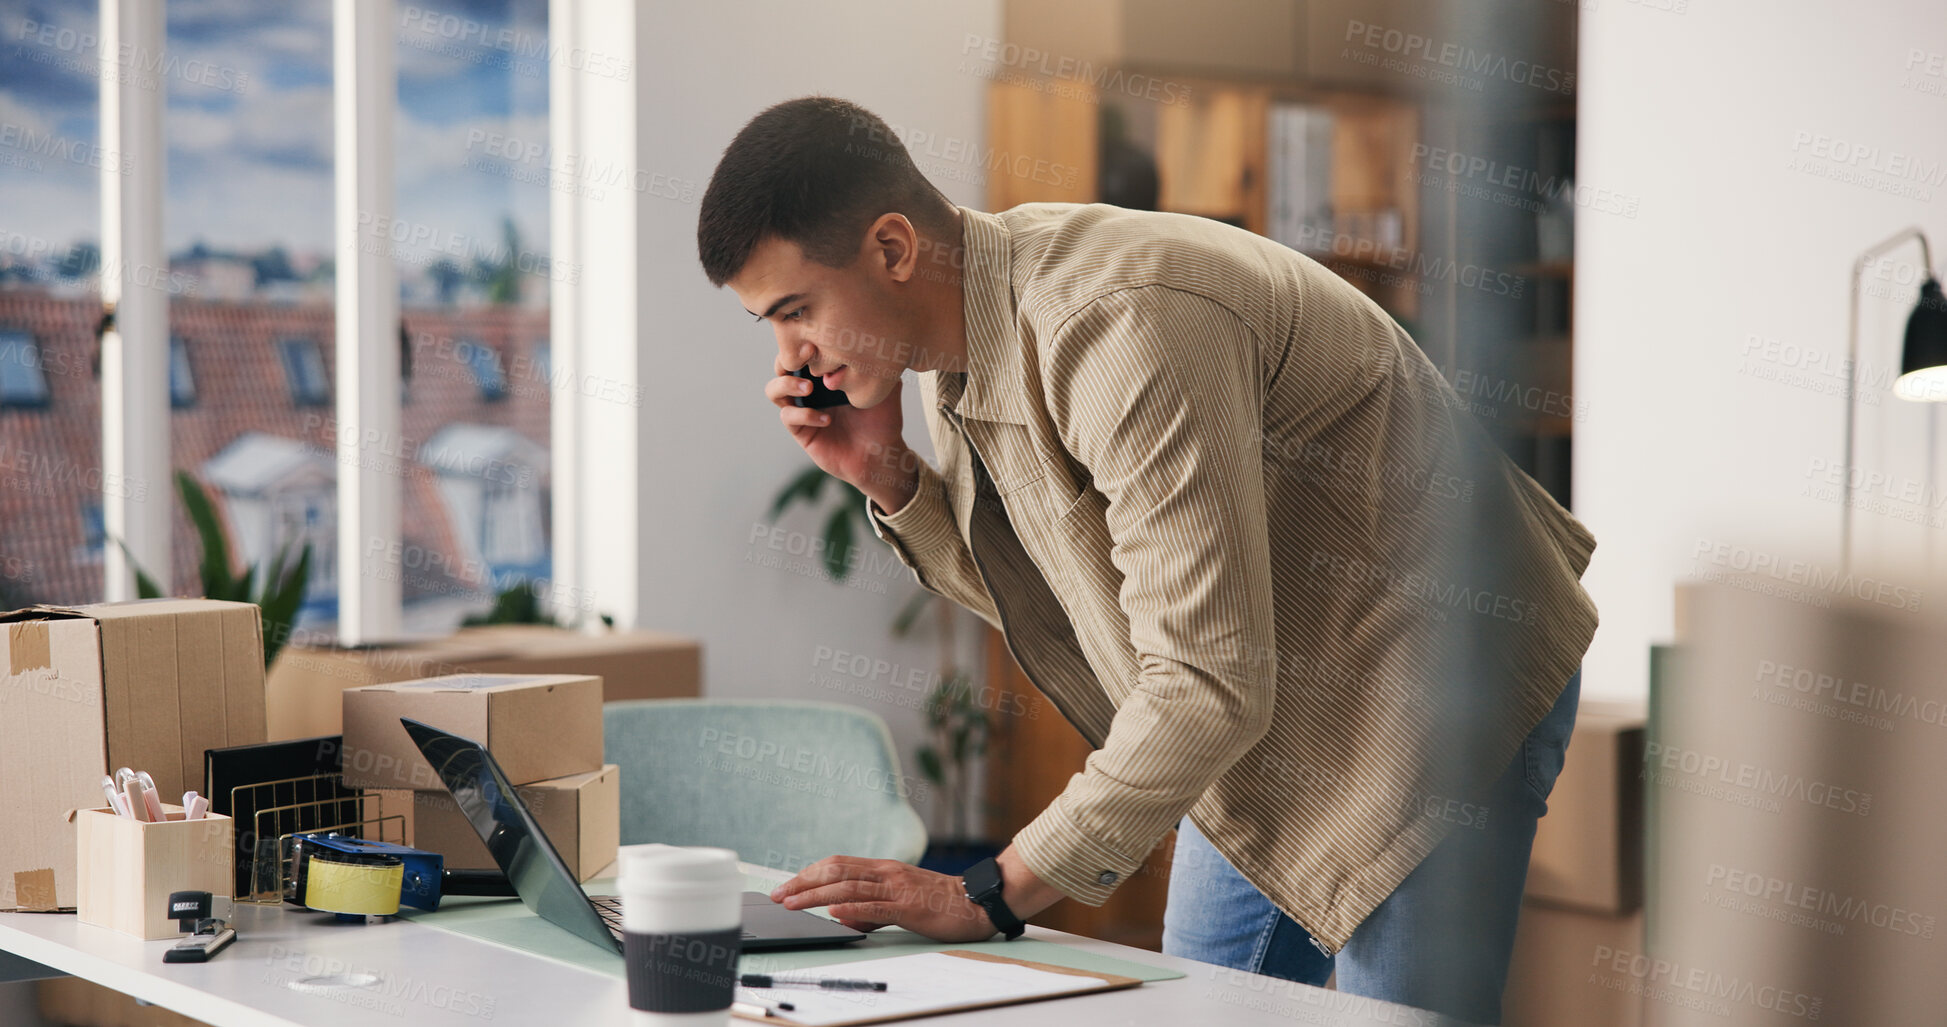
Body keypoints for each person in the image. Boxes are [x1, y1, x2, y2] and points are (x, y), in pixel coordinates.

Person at [696, 96, 1596, 1024]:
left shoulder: (1119, 326)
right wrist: (883, 473)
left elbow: (1206, 681)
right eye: (769, 324)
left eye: (796, 310)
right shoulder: (956, 352)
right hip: (1274, 698)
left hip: (1434, 685)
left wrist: (987, 891)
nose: (790, 356)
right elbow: (1063, 597)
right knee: (1197, 1007)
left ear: (891, 250)